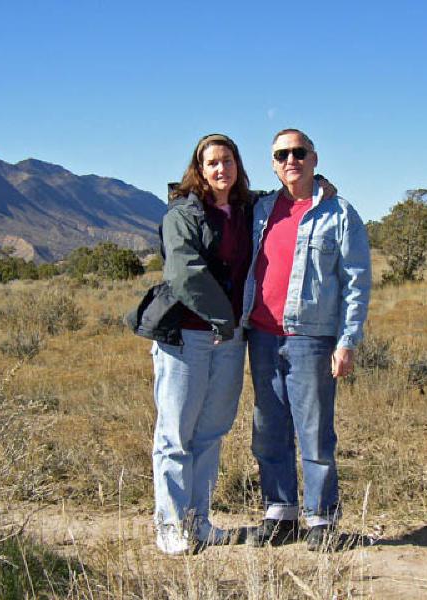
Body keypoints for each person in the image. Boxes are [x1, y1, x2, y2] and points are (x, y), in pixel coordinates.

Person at [241, 128, 371, 551]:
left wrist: (347, 340)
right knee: (269, 428)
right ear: (273, 163)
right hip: (261, 336)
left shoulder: (338, 213)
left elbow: (356, 281)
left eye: (299, 152)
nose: (290, 160)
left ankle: (322, 520)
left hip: (311, 338)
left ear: (314, 159)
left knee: (315, 432)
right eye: (281, 154)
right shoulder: (260, 209)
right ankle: (280, 515)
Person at [148, 133, 252, 554]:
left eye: (227, 161)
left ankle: (199, 520)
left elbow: (290, 190)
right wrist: (224, 320)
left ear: (237, 165)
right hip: (187, 338)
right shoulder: (183, 213)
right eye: (212, 163)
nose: (220, 169)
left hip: (229, 339)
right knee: (175, 433)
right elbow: (186, 272)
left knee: (210, 432)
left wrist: (321, 184)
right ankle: (170, 526)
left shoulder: (246, 210)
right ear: (199, 169)